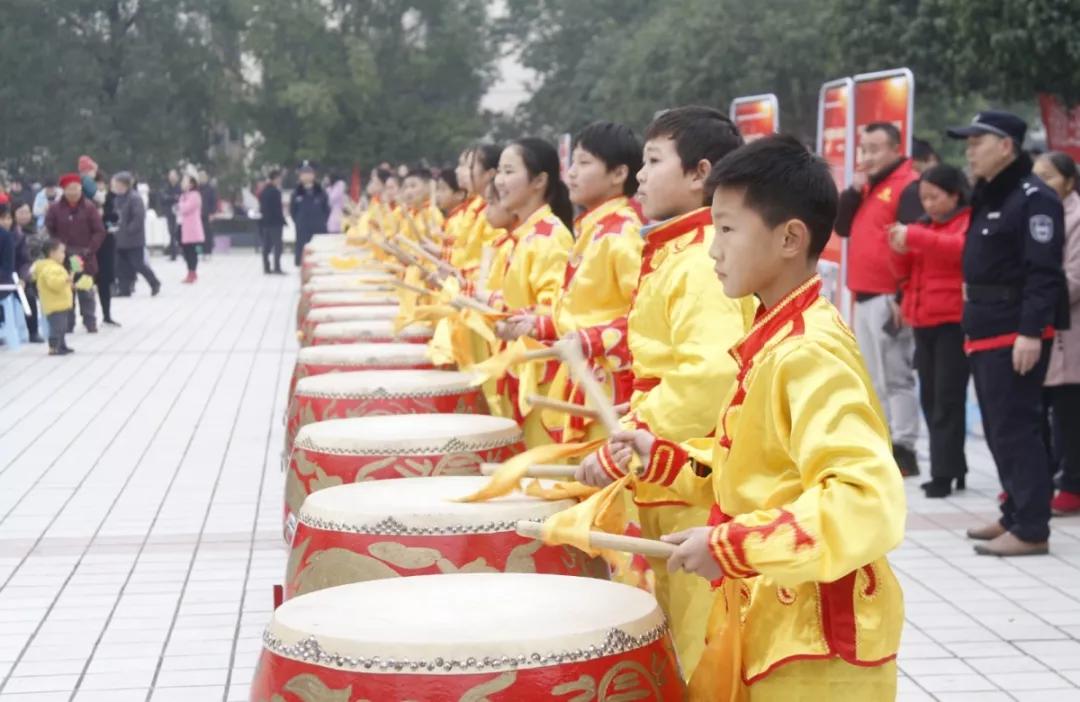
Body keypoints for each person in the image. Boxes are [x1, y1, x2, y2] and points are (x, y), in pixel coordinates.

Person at [600, 134, 905, 700]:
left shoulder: (807, 349)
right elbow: (756, 469)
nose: (713, 250)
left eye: (727, 230)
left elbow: (865, 498)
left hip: (815, 639)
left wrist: (732, 546)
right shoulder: (771, 337)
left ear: (791, 237)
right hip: (772, 620)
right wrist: (665, 457)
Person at [574, 107, 756, 676]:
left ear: (701, 173)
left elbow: (710, 377)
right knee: (680, 630)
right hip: (666, 469)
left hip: (691, 475)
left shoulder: (702, 260)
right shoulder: (675, 250)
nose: (641, 177)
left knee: (702, 644)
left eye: (654, 162)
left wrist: (637, 434)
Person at [949, 110, 1069, 557]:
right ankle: (1014, 512)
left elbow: (1044, 273)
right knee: (1000, 428)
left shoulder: (1034, 197)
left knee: (1017, 428)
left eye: (977, 141)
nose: (969, 149)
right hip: (984, 324)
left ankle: (1033, 526)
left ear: (1006, 146)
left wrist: (1031, 332)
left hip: (1012, 329)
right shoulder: (991, 193)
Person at [509, 121, 645, 443]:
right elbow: (577, 310)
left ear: (618, 174)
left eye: (584, 163)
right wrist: (539, 325)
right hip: (581, 380)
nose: (571, 173)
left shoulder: (622, 234)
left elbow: (646, 319)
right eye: (572, 163)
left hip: (609, 388)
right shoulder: (593, 230)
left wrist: (593, 339)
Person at [835, 122, 924, 476]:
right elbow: (841, 228)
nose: (867, 156)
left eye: (875, 149)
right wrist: (853, 192)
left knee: (896, 375)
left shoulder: (907, 186)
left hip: (890, 295)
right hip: (864, 292)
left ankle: (905, 447)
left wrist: (903, 295)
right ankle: (884, 441)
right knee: (874, 375)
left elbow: (914, 245)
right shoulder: (869, 187)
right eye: (864, 149)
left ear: (895, 149)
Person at [887, 165, 972, 498]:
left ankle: (943, 473)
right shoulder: (923, 226)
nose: (930, 204)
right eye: (924, 198)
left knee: (947, 400)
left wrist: (914, 237)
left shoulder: (966, 222)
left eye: (936, 197)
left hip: (953, 322)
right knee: (930, 397)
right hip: (923, 321)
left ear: (954, 195)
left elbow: (958, 251)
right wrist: (896, 247)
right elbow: (903, 270)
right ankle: (954, 467)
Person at [1032, 152, 1080, 516]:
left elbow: (1073, 279)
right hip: (1036, 322)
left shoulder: (1076, 217)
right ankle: (1038, 480)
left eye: (1047, 176)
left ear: (1067, 181)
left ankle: (1073, 484)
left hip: (1070, 328)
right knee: (1036, 411)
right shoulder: (1035, 212)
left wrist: (1033, 291)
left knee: (1068, 410)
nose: (1039, 183)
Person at [45, 173, 104, 333]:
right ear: (63, 190)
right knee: (66, 289)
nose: (74, 192)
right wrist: (57, 249)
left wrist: (89, 249)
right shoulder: (55, 209)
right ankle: (68, 323)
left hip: (84, 255)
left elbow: (99, 231)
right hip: (63, 256)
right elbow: (49, 230)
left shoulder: (89, 207)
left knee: (86, 290)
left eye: (76, 188)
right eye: (70, 189)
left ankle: (90, 321)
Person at [112, 172, 160, 298]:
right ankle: (124, 289)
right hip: (119, 239)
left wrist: (128, 230)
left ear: (125, 185)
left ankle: (154, 283)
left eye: (118, 184)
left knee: (138, 264)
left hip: (133, 240)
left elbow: (138, 218)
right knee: (121, 266)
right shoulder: (117, 198)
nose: (116, 187)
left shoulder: (135, 198)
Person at [31, 239, 76, 355]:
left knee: (62, 327)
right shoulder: (50, 268)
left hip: (60, 303)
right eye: (61, 252)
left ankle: (62, 345)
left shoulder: (55, 266)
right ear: (52, 253)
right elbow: (53, 283)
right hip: (54, 304)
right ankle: (54, 347)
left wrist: (69, 283)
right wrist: (65, 280)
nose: (64, 255)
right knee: (57, 327)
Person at [12, 202, 43, 342]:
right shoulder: (10, 234)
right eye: (20, 212)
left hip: (23, 275)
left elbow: (26, 260)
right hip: (5, 276)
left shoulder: (34, 232)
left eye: (26, 212)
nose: (24, 216)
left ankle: (33, 331)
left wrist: (24, 278)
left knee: (29, 296)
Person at [290, 162, 330, 266]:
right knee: (302, 249)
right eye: (304, 174)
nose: (307, 176)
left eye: (309, 173)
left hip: (318, 226)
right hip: (303, 227)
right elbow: (293, 211)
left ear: (313, 175)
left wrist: (321, 221)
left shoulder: (321, 191)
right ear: (300, 176)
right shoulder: (296, 192)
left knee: (319, 251)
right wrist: (299, 221)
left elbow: (327, 209)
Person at [178, 175, 204, 283]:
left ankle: (192, 272)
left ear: (191, 184)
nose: (183, 183)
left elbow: (185, 208)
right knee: (186, 252)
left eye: (185, 181)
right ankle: (190, 272)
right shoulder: (184, 195)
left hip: (192, 229)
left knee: (192, 252)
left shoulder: (195, 195)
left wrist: (180, 204)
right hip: (184, 228)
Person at [259, 169, 286, 274]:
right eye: (279, 178)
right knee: (277, 245)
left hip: (265, 222)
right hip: (275, 223)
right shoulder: (275, 192)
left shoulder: (263, 191)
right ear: (275, 179)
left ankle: (266, 267)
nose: (280, 180)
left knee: (266, 246)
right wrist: (282, 220)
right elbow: (278, 209)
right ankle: (277, 267)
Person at [161, 169, 182, 260]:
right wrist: (174, 198)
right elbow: (164, 198)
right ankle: (173, 254)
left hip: (180, 213)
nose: (172, 178)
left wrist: (172, 198)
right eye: (171, 176)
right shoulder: (166, 187)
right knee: (171, 232)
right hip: (169, 212)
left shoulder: (180, 187)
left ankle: (182, 251)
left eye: (174, 176)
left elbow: (181, 198)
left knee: (178, 232)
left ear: (177, 177)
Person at [197, 169, 217, 258]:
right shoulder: (196, 189)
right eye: (200, 177)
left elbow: (214, 202)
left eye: (203, 177)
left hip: (207, 214)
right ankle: (199, 252)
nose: (201, 179)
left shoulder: (210, 188)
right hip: (197, 215)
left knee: (207, 234)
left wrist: (212, 213)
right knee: (197, 235)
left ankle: (208, 252)